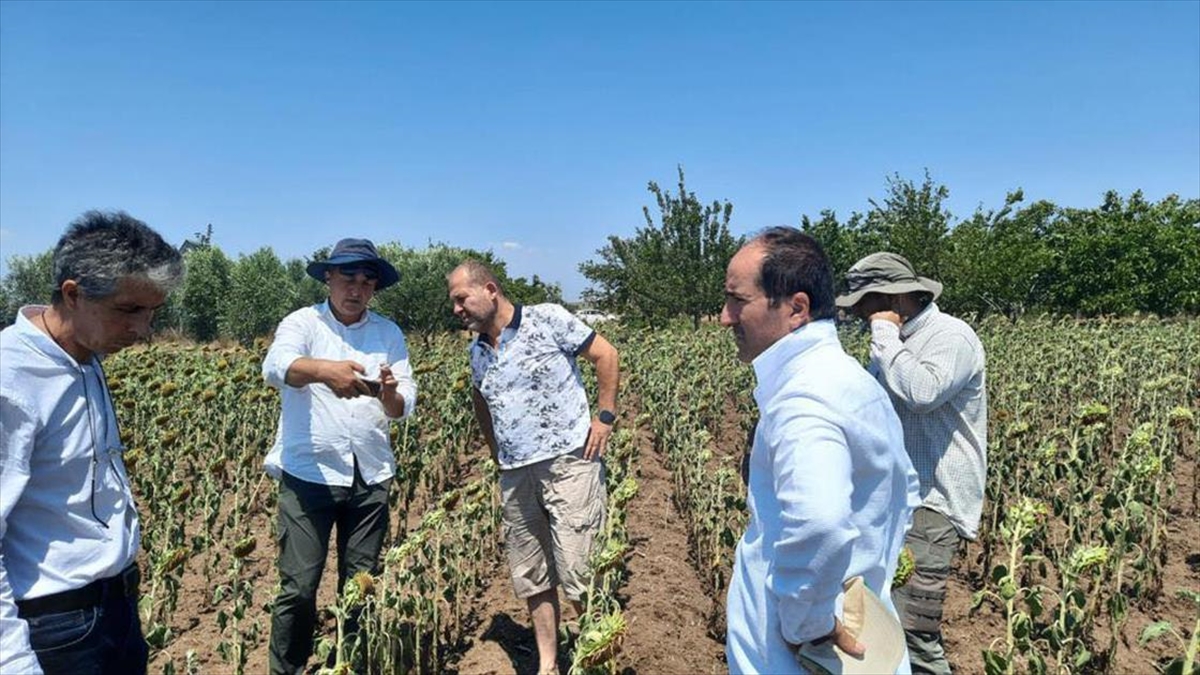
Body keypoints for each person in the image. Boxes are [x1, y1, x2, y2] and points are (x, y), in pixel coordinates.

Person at [720, 227, 920, 675]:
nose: (725, 318)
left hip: (797, 660)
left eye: (738, 300)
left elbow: (820, 522)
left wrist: (808, 625)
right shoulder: (850, 379)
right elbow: (905, 492)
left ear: (796, 308)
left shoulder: (804, 398)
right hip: (858, 637)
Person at [0, 211, 183, 675]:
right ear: (73, 294)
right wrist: (14, 662)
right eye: (129, 310)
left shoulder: (85, 355)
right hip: (54, 626)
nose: (143, 331)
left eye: (152, 313)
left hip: (115, 609)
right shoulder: (11, 379)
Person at [446, 260, 619, 675]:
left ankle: (599, 659)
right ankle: (548, 665)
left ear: (490, 290)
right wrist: (495, 450)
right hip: (515, 473)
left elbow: (606, 354)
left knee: (580, 568)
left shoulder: (547, 319)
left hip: (569, 463)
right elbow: (480, 399)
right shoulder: (477, 351)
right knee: (532, 572)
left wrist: (605, 417)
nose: (456, 309)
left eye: (461, 299)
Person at [261, 238, 417, 675]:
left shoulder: (388, 333)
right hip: (309, 474)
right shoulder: (303, 323)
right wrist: (324, 370)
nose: (357, 288)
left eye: (367, 281)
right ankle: (287, 669)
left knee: (360, 587)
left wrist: (389, 394)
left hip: (370, 474)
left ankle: (349, 663)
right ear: (328, 277)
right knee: (298, 587)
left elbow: (403, 402)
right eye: (348, 277)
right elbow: (275, 367)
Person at [836, 252, 987, 675]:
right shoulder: (892, 343)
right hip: (895, 500)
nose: (859, 314)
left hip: (932, 504)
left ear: (893, 299)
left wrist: (885, 334)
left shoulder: (951, 337)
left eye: (865, 304)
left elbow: (922, 393)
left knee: (914, 633)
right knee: (880, 624)